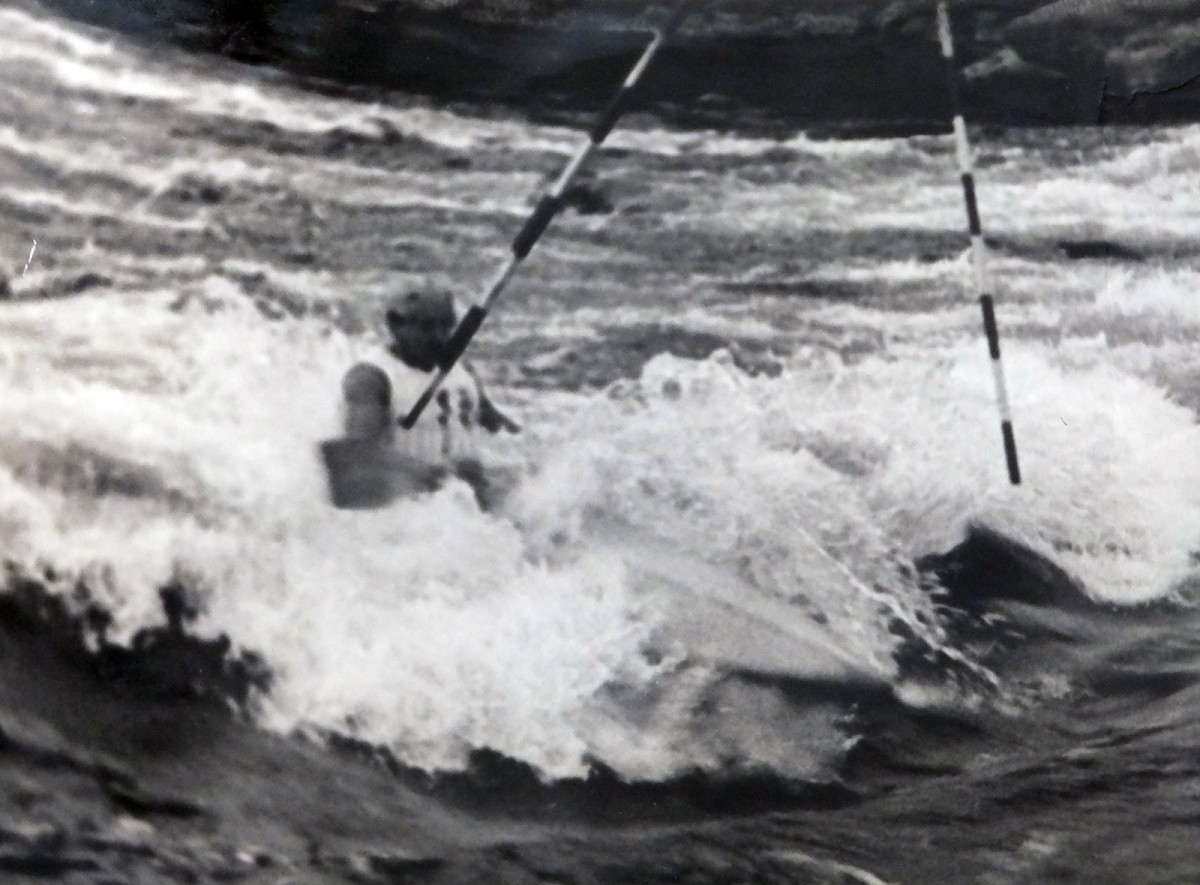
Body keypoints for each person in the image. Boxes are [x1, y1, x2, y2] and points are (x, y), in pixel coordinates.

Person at [335, 290, 518, 507]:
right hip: (409, 510)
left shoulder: (463, 370)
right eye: (426, 327)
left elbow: (498, 426)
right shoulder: (370, 379)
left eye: (446, 326)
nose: (439, 337)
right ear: (395, 325)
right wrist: (439, 475)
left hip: (471, 504)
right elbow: (357, 463)